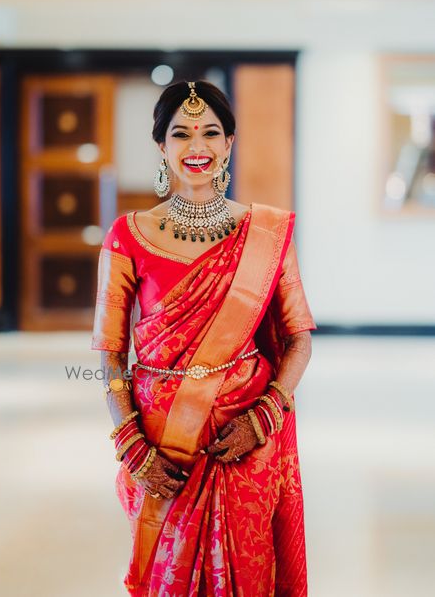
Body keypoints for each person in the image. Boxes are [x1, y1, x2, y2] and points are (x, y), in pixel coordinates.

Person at [91, 80, 317, 597]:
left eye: (211, 132)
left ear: (230, 144)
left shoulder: (266, 232)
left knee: (250, 576)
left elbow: (298, 340)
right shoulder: (128, 234)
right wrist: (132, 447)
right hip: (161, 448)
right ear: (161, 146)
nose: (198, 147)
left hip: (245, 442)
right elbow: (109, 352)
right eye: (182, 133)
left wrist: (263, 416)